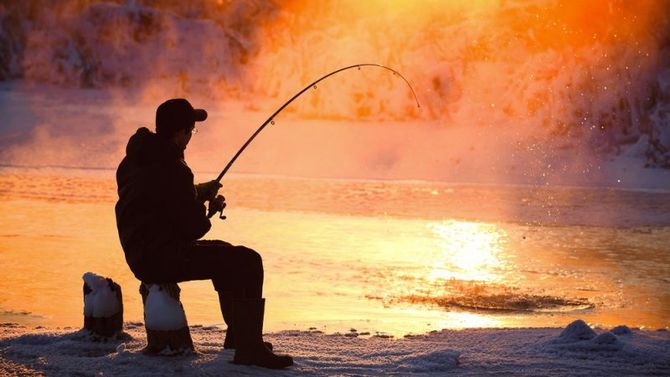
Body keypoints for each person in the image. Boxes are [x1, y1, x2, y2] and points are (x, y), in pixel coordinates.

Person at [115, 98, 293, 369]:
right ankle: (249, 348)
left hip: (140, 250)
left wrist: (196, 193)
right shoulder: (173, 168)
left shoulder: (136, 159)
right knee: (248, 261)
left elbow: (159, 199)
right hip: (159, 257)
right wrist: (209, 206)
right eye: (191, 130)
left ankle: (241, 339)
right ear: (179, 132)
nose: (191, 137)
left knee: (226, 253)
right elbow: (194, 228)